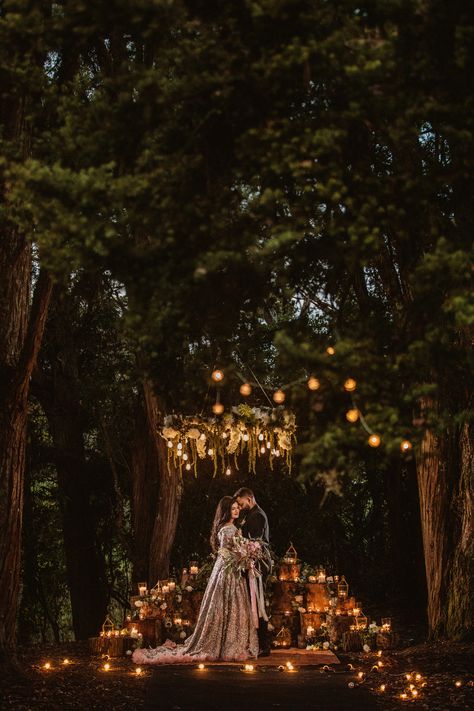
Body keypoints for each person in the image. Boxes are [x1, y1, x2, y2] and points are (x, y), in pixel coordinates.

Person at [132, 496, 258, 665]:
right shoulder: (228, 529)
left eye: (237, 508)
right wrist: (245, 555)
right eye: (233, 508)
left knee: (229, 605)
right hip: (228, 570)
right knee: (228, 604)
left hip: (227, 568)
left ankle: (228, 642)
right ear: (226, 511)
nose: (236, 511)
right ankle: (226, 644)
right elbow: (232, 552)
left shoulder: (230, 527)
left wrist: (245, 555)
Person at [234, 487, 272, 656]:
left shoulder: (257, 516)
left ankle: (264, 646)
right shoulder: (252, 514)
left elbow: (254, 544)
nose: (240, 507)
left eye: (241, 504)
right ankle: (258, 643)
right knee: (254, 604)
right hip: (252, 564)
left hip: (257, 565)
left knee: (258, 603)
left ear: (249, 499)